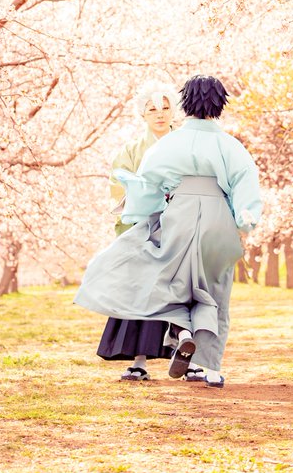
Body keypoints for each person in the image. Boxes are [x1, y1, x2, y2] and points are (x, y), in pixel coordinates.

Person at [75, 74, 262, 389]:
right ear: (220, 105)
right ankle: (209, 366)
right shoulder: (231, 145)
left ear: (184, 104)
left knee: (173, 283)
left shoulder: (170, 143)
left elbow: (147, 184)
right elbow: (245, 183)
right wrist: (244, 223)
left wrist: (142, 214)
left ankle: (183, 333)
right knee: (214, 292)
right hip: (218, 218)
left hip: (179, 215)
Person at [96, 81, 181, 382]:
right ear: (142, 114)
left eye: (165, 107)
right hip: (143, 229)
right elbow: (117, 188)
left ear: (175, 111)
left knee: (183, 290)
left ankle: (189, 357)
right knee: (140, 293)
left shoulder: (185, 144)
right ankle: (139, 360)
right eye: (152, 109)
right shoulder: (131, 151)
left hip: (180, 227)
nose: (159, 114)